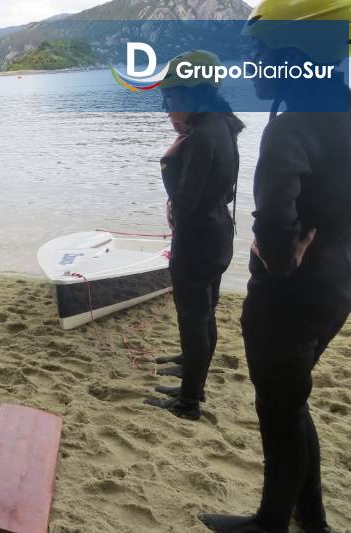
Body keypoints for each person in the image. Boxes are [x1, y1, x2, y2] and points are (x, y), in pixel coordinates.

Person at [199, 1, 351, 531]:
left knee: (279, 410)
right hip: (336, 290)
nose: (254, 63)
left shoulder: (289, 130)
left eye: (261, 51)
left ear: (296, 54)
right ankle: (312, 520)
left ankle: (270, 523)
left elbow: (274, 224)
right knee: (295, 401)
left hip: (288, 300)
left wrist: (282, 259)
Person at [143, 51, 245, 421]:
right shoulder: (223, 125)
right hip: (218, 235)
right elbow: (226, 189)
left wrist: (168, 163)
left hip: (198, 243)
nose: (166, 109)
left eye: (170, 99)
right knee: (205, 313)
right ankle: (191, 370)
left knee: (193, 318)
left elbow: (184, 202)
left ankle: (188, 402)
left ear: (192, 96)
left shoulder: (201, 137)